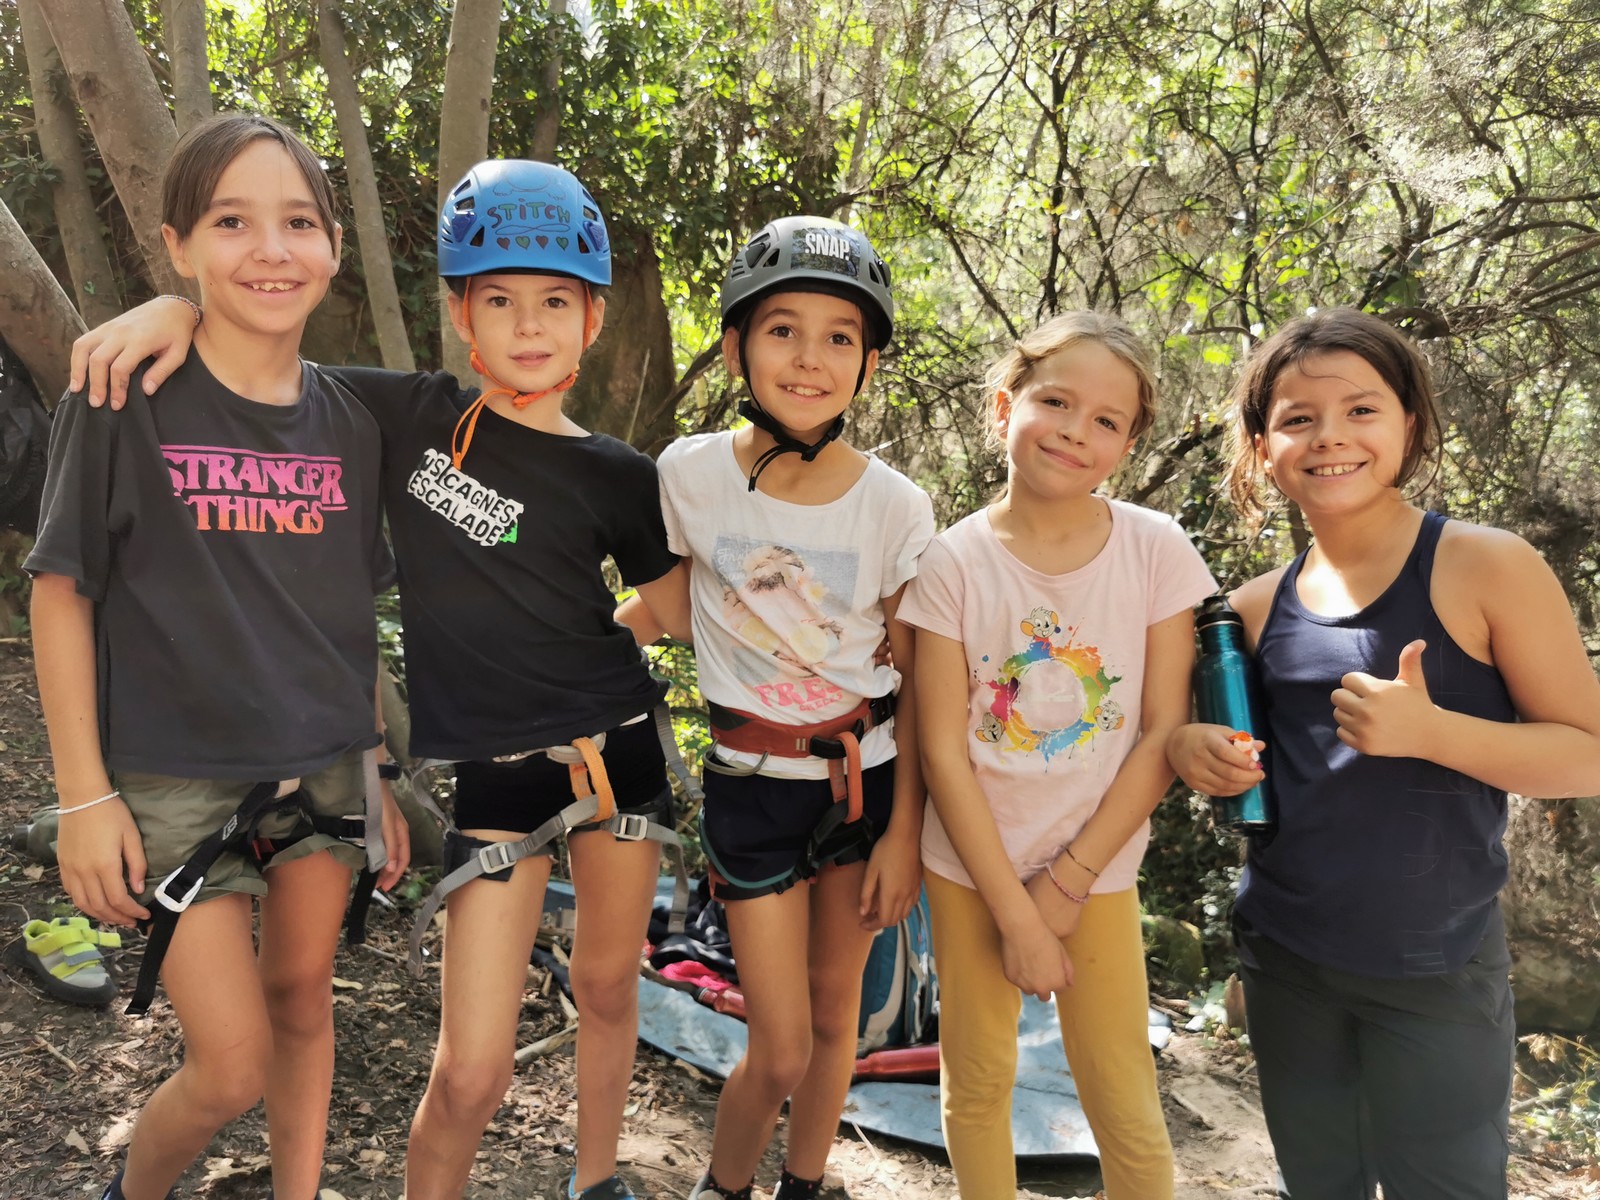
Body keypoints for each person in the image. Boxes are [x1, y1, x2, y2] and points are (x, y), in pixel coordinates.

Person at [69, 160, 689, 1200]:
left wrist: (572, 641)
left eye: (555, 301)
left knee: (607, 985)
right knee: (473, 1070)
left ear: (593, 316)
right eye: (499, 299)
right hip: (499, 776)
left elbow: (671, 613)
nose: (528, 325)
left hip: (621, 751)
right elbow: (263, 351)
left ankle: (595, 1182)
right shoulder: (402, 415)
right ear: (459, 313)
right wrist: (174, 308)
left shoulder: (624, 474)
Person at [29, 112, 408, 1200]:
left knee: (303, 1001)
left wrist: (375, 771)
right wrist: (84, 798)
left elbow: (344, 616)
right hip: (174, 777)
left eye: (299, 222)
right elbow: (60, 594)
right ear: (178, 244)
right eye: (231, 222)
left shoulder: (351, 422)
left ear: (332, 245)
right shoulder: (120, 396)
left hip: (324, 770)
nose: (271, 250)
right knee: (232, 1062)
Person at [1167, 308, 1600, 1200]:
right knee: (1318, 1186)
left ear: (1409, 423)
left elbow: (1589, 755)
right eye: (1298, 419)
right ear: (1262, 448)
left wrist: (1434, 733)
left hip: (1435, 968)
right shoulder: (1251, 608)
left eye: (1360, 410)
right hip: (1286, 960)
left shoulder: (1488, 567)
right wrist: (1190, 747)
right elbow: (1213, 750)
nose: (1330, 437)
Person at [618, 216, 933, 1200]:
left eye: (840, 336)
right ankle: (723, 1189)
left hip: (864, 784)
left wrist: (906, 835)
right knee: (783, 1039)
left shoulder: (894, 507)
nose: (809, 358)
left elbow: (920, 678)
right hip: (751, 787)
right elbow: (663, 608)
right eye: (782, 329)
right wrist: (558, 656)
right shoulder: (690, 476)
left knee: (837, 1020)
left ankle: (802, 1184)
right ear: (735, 347)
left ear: (868, 363)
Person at [898, 312, 1214, 1200]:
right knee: (977, 1084)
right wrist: (1020, 917)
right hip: (972, 866)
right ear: (1006, 406)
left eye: (1107, 420)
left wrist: (1067, 886)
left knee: (1124, 1099)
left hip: (1098, 865)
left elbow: (1161, 730)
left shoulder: (1157, 550)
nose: (1078, 430)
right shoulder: (952, 563)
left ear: (1128, 445)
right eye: (1057, 402)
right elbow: (943, 751)